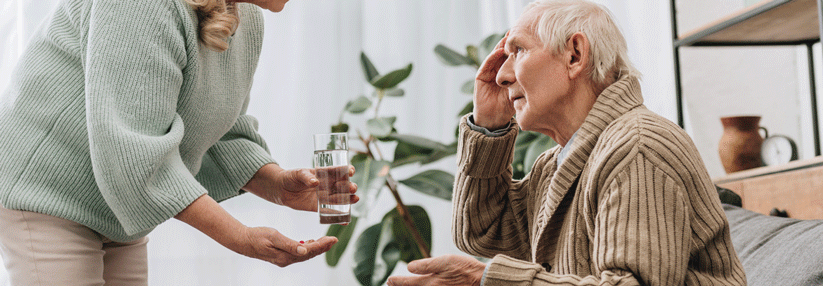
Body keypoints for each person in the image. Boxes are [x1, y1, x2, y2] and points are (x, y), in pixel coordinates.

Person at [388, 0, 746, 285]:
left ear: (575, 54)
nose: (501, 74)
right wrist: (489, 127)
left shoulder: (638, 147)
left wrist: (484, 280)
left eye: (519, 51)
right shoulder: (559, 161)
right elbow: (481, 230)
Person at [0, 0, 358, 284]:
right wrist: (240, 236)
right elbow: (133, 153)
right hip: (48, 193)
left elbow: (219, 128)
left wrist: (278, 185)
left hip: (119, 207)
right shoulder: (141, 5)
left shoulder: (245, 16)